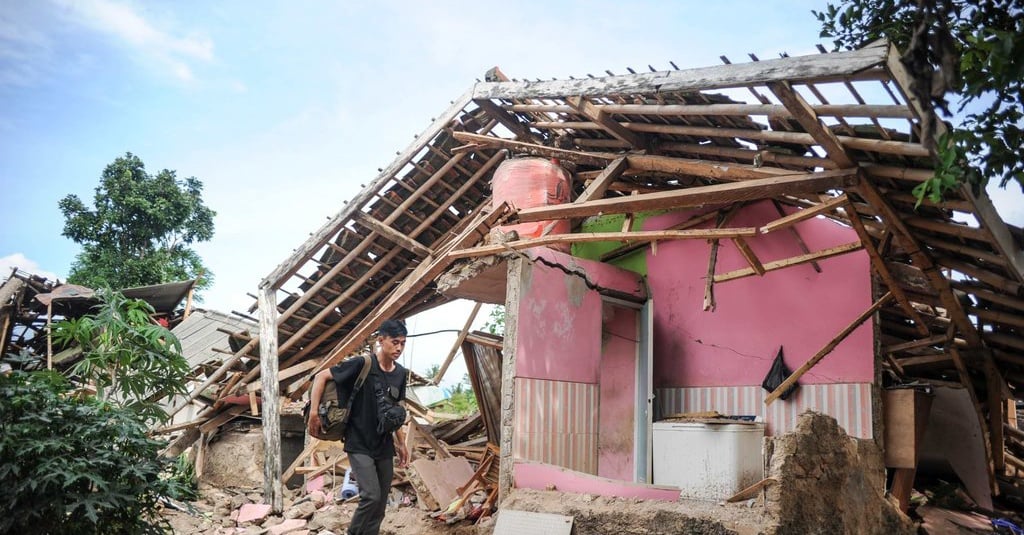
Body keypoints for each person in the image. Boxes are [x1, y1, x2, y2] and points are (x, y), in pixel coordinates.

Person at [307, 319, 410, 535]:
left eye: (403, 343)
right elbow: (321, 377)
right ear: (381, 340)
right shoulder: (362, 364)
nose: (399, 348)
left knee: (380, 504)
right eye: (394, 342)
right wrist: (314, 413)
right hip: (358, 442)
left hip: (383, 445)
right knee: (370, 496)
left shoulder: (400, 373)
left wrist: (401, 443)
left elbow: (395, 411)